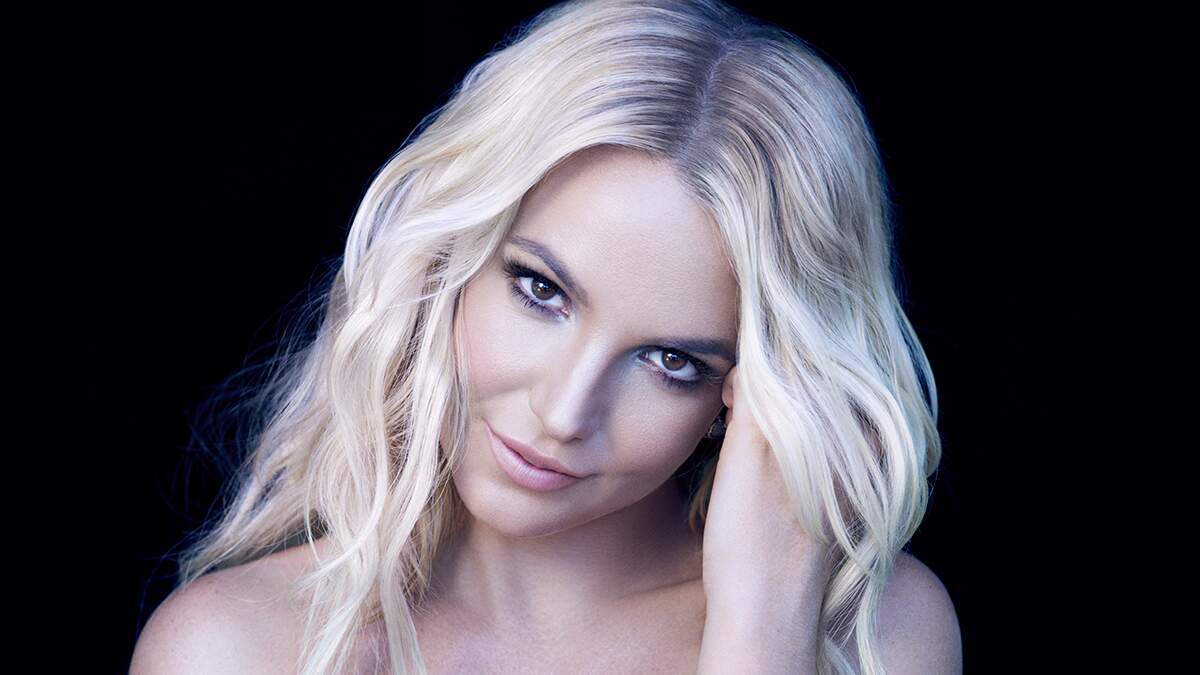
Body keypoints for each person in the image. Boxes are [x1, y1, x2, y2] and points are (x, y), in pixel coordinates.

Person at [130, 0, 961, 673]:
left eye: (671, 361)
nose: (565, 412)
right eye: (542, 291)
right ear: (448, 259)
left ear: (743, 393)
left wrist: (760, 633)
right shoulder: (234, 649)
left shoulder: (873, 635)